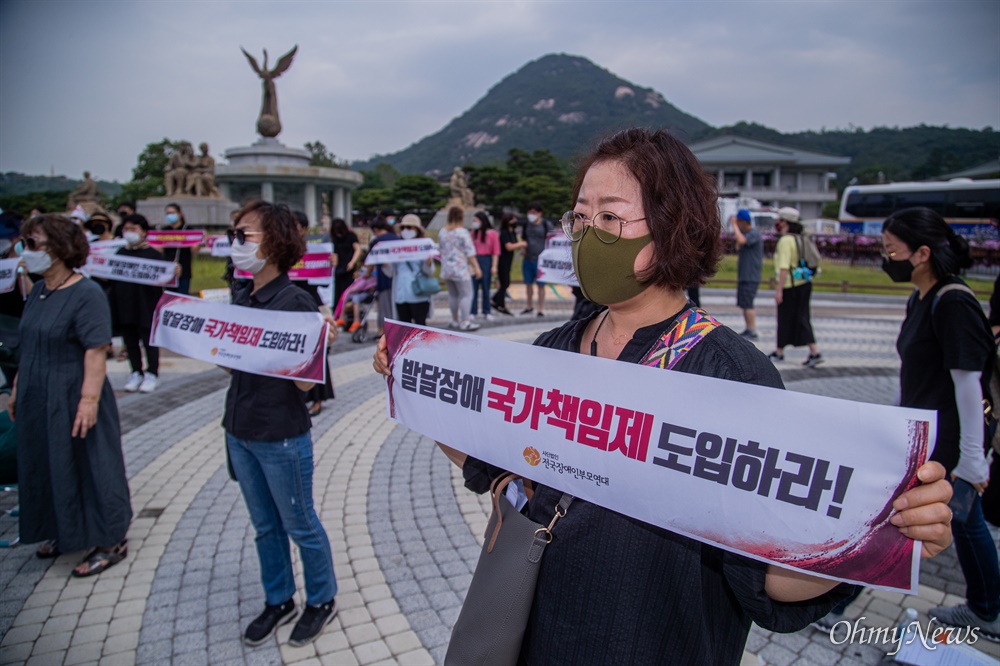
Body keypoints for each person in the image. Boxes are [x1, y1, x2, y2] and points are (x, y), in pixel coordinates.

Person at [373, 128, 955, 664]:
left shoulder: (732, 376)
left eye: (610, 216)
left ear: (673, 224)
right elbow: (489, 454)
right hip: (538, 635)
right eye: (578, 216)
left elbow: (770, 580)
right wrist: (419, 385)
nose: (586, 234)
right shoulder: (552, 349)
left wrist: (880, 533)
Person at [223, 200, 339, 647]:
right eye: (233, 235)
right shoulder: (242, 294)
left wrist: (314, 354)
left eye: (243, 236)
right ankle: (279, 598)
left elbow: (307, 390)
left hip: (281, 435)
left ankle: (321, 600)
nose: (234, 244)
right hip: (239, 429)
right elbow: (234, 367)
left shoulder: (296, 302)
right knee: (265, 525)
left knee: (300, 522)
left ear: (273, 242)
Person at [881, 206, 1000, 640]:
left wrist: (972, 462)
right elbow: (916, 375)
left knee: (947, 519)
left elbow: (970, 388)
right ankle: (988, 608)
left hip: (949, 442)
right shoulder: (921, 298)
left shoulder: (954, 302)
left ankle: (988, 610)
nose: (885, 258)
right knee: (966, 524)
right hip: (924, 436)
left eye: (890, 250)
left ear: (922, 253)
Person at [9, 214, 132, 577]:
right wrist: (18, 388)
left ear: (59, 249)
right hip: (38, 392)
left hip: (74, 392)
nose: (24, 252)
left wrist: (88, 401)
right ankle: (63, 529)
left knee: (92, 464)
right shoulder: (38, 292)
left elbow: (96, 351)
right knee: (47, 462)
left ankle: (111, 540)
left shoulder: (86, 293)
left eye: (32, 245)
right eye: (23, 244)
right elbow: (28, 345)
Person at [113, 214, 169, 393]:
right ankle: (135, 372)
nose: (129, 233)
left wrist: (173, 272)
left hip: (146, 305)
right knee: (130, 342)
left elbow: (164, 279)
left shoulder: (153, 255)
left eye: (134, 229)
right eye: (126, 229)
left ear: (144, 232)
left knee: (149, 341)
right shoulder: (120, 254)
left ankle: (152, 373)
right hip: (125, 305)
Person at [291, 211, 335, 417]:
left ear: (304, 229)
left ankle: (317, 398)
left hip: (311, 303)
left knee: (317, 351)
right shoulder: (277, 251)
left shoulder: (314, 250)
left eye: (295, 225)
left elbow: (323, 280)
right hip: (287, 307)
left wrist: (329, 265)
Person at [769, 207, 822, 367]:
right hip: (804, 283)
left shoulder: (786, 241)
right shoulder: (801, 238)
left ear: (784, 222)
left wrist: (779, 290)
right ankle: (780, 350)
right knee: (801, 316)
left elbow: (784, 267)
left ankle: (814, 351)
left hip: (790, 286)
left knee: (791, 318)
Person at [385, 214, 436, 326]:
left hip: (418, 293)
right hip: (401, 293)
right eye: (403, 228)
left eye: (409, 228)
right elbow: (390, 272)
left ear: (417, 230)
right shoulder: (396, 247)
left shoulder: (424, 246)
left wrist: (428, 262)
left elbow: (429, 271)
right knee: (404, 328)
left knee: (420, 326)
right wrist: (385, 263)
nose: (406, 231)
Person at [439, 206, 482, 331]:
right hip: (460, 268)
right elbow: (470, 252)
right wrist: (477, 268)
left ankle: (454, 320)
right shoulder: (462, 232)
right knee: (466, 295)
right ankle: (465, 321)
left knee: (453, 295)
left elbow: (440, 249)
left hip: (447, 268)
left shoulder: (443, 231)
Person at [732, 208, 763, 340]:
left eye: (739, 222)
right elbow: (738, 245)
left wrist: (734, 225)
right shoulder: (746, 234)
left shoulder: (754, 233)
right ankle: (748, 328)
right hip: (744, 275)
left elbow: (742, 241)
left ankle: (752, 329)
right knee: (744, 303)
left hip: (751, 275)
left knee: (748, 303)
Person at [520, 203, 552, 316]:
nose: (531, 215)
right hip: (528, 257)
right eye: (529, 212)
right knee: (528, 284)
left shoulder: (545, 224)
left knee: (541, 285)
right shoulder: (526, 225)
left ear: (539, 213)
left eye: (533, 212)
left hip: (541, 260)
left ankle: (540, 308)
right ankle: (529, 306)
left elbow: (551, 240)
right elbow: (524, 238)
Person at [368, 218, 399, 337]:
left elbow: (371, 261)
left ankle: (383, 332)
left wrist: (367, 275)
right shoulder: (397, 238)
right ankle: (396, 329)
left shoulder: (377, 242)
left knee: (384, 307)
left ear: (375, 229)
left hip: (383, 278)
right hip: (398, 278)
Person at [491, 212, 524, 316]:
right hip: (502, 261)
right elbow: (509, 247)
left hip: (509, 261)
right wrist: (522, 244)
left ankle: (496, 301)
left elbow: (514, 245)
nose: (514, 221)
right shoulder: (504, 233)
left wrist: (519, 245)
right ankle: (499, 303)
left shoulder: (513, 232)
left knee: (506, 283)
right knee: (504, 283)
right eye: (512, 219)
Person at [470, 211, 500, 320]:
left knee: (486, 287)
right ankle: (472, 311)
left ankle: (486, 310)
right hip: (474, 260)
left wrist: (494, 266)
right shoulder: (473, 233)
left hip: (486, 260)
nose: (474, 223)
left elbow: (496, 251)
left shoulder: (492, 233)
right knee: (473, 287)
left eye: (476, 221)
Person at [162, 202, 194, 295]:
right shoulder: (164, 230)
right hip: (168, 269)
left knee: (182, 297)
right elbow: (160, 250)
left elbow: (193, 250)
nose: (170, 215)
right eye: (168, 213)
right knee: (169, 296)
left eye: (172, 213)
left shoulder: (188, 229)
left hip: (184, 269)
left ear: (180, 214)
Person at [330, 217, 361, 308]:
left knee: (348, 292)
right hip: (338, 269)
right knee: (337, 293)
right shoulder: (334, 238)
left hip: (348, 268)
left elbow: (358, 250)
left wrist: (352, 262)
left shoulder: (351, 236)